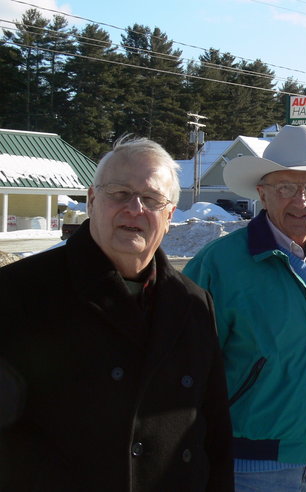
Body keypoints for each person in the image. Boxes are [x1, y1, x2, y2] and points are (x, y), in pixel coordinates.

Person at [0, 136, 234, 491]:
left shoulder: (193, 304)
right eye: (120, 193)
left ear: (170, 216)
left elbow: (213, 433)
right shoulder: (19, 291)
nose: (135, 209)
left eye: (152, 199)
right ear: (93, 200)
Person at [183, 124, 306, 492]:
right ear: (262, 193)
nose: (301, 200)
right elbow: (184, 371)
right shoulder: (220, 265)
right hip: (247, 469)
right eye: (286, 188)